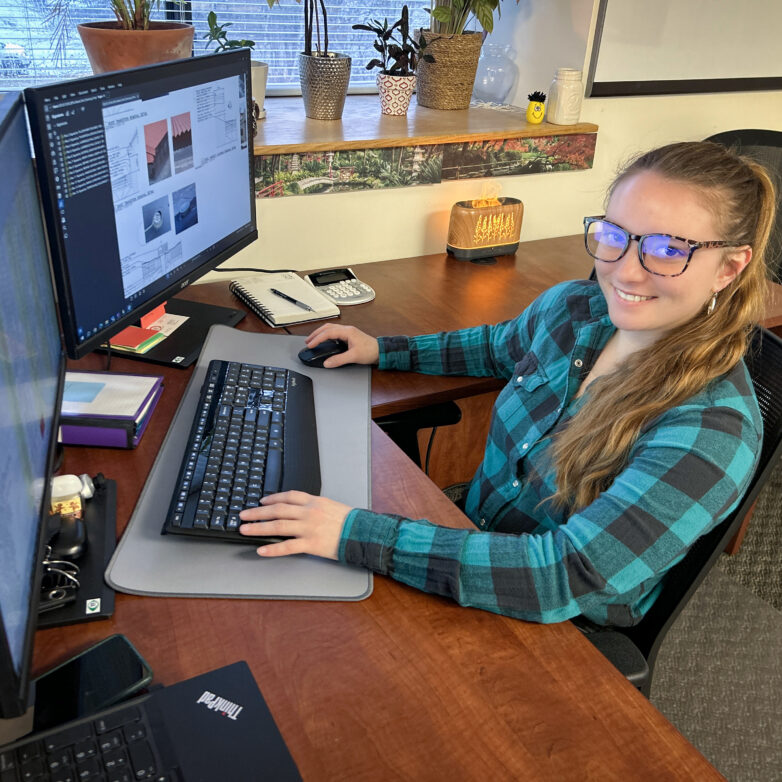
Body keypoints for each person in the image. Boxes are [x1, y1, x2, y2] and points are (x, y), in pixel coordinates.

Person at [239, 141, 776, 626]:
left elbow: (561, 577)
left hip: (553, 623)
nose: (626, 271)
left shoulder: (711, 430)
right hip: (465, 535)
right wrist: (384, 348)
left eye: (666, 248)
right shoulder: (574, 309)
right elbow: (497, 346)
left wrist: (355, 534)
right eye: (615, 235)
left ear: (729, 267)